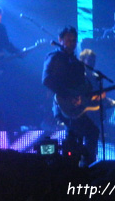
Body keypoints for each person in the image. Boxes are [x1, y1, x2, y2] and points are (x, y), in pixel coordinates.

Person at [42, 26, 99, 166]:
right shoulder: (55, 57)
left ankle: (77, 168)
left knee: (74, 138)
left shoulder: (76, 62)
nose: (72, 43)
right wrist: (67, 94)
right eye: (68, 40)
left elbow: (81, 85)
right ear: (60, 40)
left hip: (75, 107)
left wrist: (85, 94)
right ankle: (86, 165)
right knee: (91, 132)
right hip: (62, 106)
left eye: (74, 40)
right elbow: (46, 79)